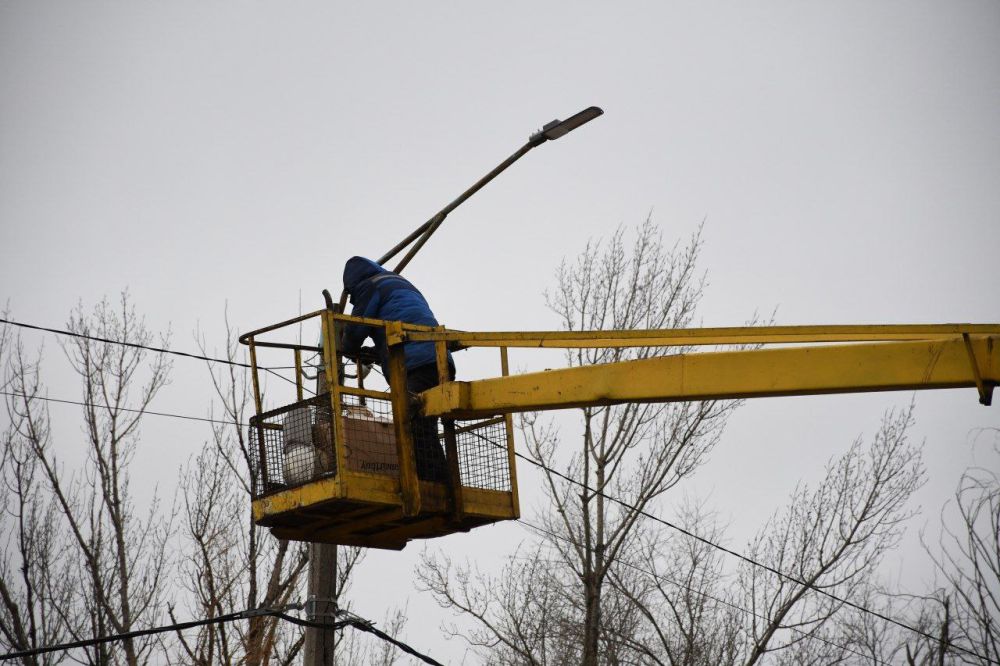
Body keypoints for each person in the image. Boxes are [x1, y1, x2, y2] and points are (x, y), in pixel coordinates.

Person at [340, 256, 454, 483]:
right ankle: (441, 481)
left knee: (412, 426)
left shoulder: (368, 287)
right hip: (440, 361)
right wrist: (379, 351)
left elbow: (357, 329)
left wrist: (344, 346)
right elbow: (400, 320)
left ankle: (432, 483)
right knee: (425, 425)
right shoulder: (400, 284)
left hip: (414, 364)